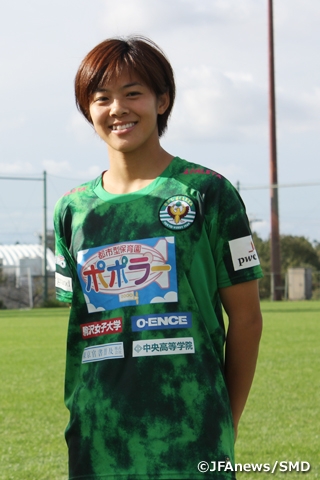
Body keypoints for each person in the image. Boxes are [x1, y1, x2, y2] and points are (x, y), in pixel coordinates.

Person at [54, 36, 263, 479]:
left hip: (191, 429)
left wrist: (227, 417)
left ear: (162, 100)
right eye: (102, 98)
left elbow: (246, 319)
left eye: (133, 94)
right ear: (87, 109)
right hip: (97, 434)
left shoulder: (208, 192)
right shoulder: (73, 209)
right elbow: (81, 324)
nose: (118, 109)